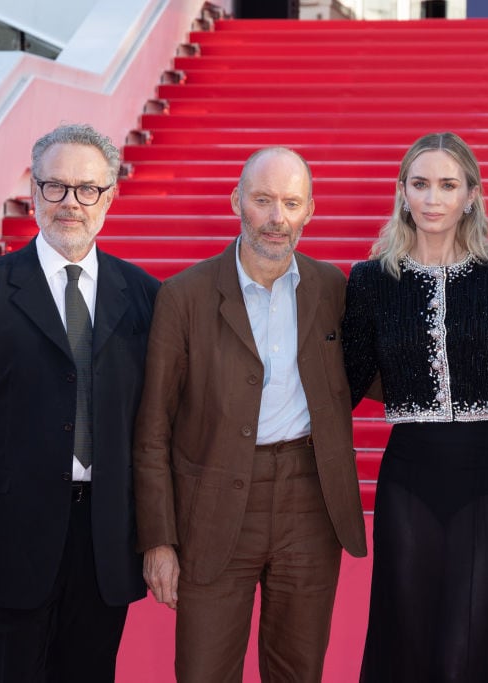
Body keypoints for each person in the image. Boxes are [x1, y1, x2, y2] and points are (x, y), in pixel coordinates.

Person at [0, 123, 160, 682]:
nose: (70, 203)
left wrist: (159, 537)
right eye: (55, 187)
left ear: (110, 195)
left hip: (106, 541)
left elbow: (157, 428)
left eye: (87, 189)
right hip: (8, 541)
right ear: (33, 191)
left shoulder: (147, 296)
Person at [132, 146, 366, 683]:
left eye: (290, 202)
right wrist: (158, 540)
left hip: (310, 502)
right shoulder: (183, 296)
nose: (276, 218)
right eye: (263, 200)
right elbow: (152, 432)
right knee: (204, 670)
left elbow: (374, 369)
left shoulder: (332, 288)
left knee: (298, 669)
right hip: (211, 505)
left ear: (310, 210)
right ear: (237, 200)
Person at [343, 132, 488, 682]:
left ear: (470, 196)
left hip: (485, 470)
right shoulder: (372, 281)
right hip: (409, 472)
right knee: (408, 620)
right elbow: (346, 382)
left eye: (447, 185)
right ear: (402, 193)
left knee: (473, 626)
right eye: (420, 184)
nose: (432, 198)